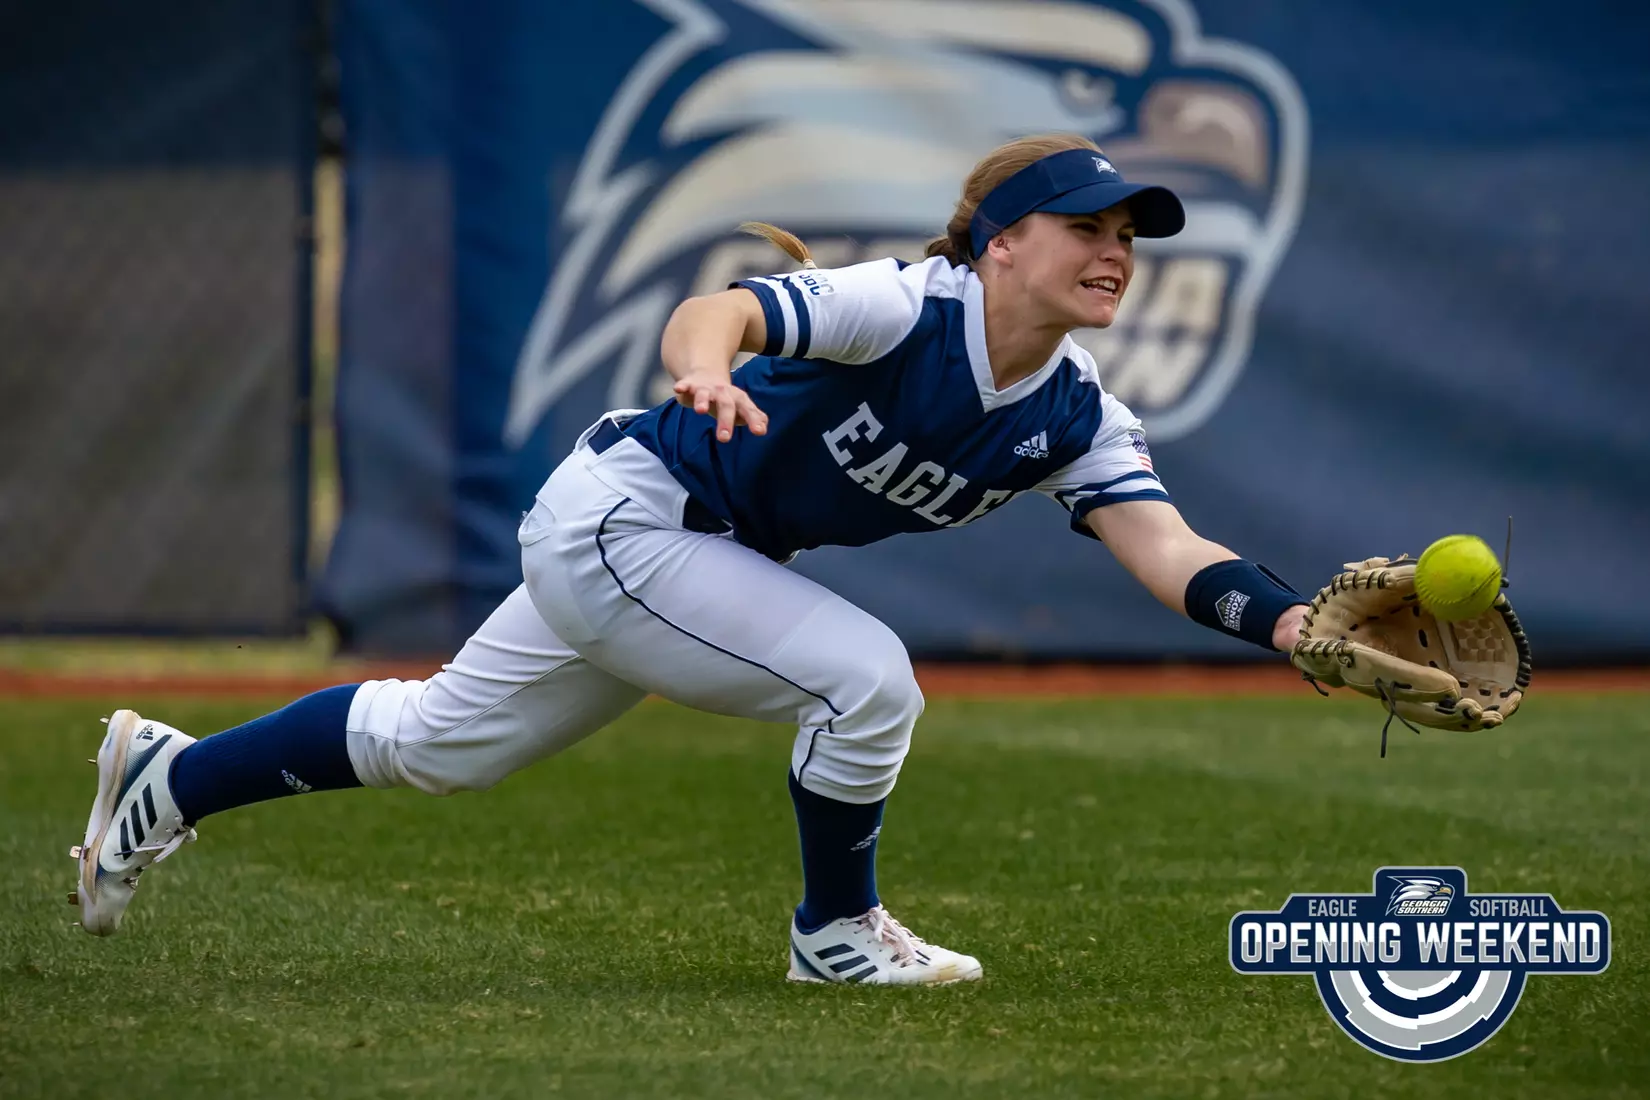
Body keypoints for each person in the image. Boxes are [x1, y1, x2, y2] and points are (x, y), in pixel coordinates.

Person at [70, 134, 1310, 985]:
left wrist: (1296, 628)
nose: (1114, 252)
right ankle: (834, 929)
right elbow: (723, 307)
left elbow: (1168, 547)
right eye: (1083, 226)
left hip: (670, 547)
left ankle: (167, 781)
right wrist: (706, 364)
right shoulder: (907, 305)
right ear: (996, 243)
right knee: (867, 678)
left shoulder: (1078, 410)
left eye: (1127, 236)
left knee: (440, 741)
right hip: (629, 517)